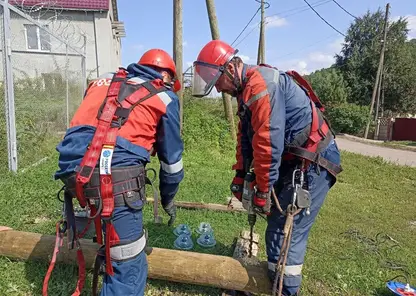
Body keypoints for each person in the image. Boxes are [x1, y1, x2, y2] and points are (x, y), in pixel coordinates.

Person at [192, 40, 342, 296]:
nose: (217, 88)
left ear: (230, 69)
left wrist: (262, 191)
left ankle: (283, 290)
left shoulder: (262, 86)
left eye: (217, 81)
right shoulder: (246, 91)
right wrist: (240, 175)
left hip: (313, 162)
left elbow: (268, 143)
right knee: (277, 226)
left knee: (285, 233)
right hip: (293, 160)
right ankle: (268, 283)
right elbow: (246, 140)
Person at [51, 49, 184, 296]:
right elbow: (171, 164)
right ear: (166, 75)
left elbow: (94, 127)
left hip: (71, 174)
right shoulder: (165, 96)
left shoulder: (102, 82)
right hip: (116, 181)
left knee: (108, 233)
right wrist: (168, 199)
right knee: (128, 264)